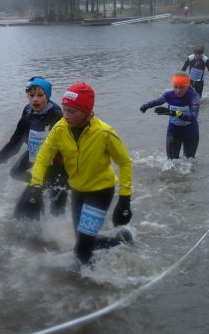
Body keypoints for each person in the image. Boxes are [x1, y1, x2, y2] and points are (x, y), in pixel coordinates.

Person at [26, 82, 133, 265]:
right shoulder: (59, 129)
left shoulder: (104, 133)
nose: (66, 115)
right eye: (65, 109)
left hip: (100, 192)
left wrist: (125, 199)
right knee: (83, 243)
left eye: (72, 111)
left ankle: (95, 287)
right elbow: (43, 157)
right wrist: (35, 184)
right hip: (77, 191)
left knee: (82, 251)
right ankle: (120, 239)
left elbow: (124, 163)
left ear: (86, 111)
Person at [0, 76, 68, 218]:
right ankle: (42, 185)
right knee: (15, 172)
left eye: (40, 95)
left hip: (56, 162)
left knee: (57, 210)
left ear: (48, 95)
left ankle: (58, 229)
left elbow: (71, 144)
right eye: (31, 95)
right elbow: (14, 143)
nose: (35, 100)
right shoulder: (28, 113)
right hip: (35, 154)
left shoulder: (57, 115)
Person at [140, 72, 201, 160]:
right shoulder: (169, 95)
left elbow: (193, 117)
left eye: (181, 87)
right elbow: (157, 101)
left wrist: (174, 113)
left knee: (190, 163)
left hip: (191, 133)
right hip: (173, 132)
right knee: (171, 163)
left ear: (187, 86)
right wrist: (146, 106)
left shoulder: (194, 97)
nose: (178, 90)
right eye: (175, 87)